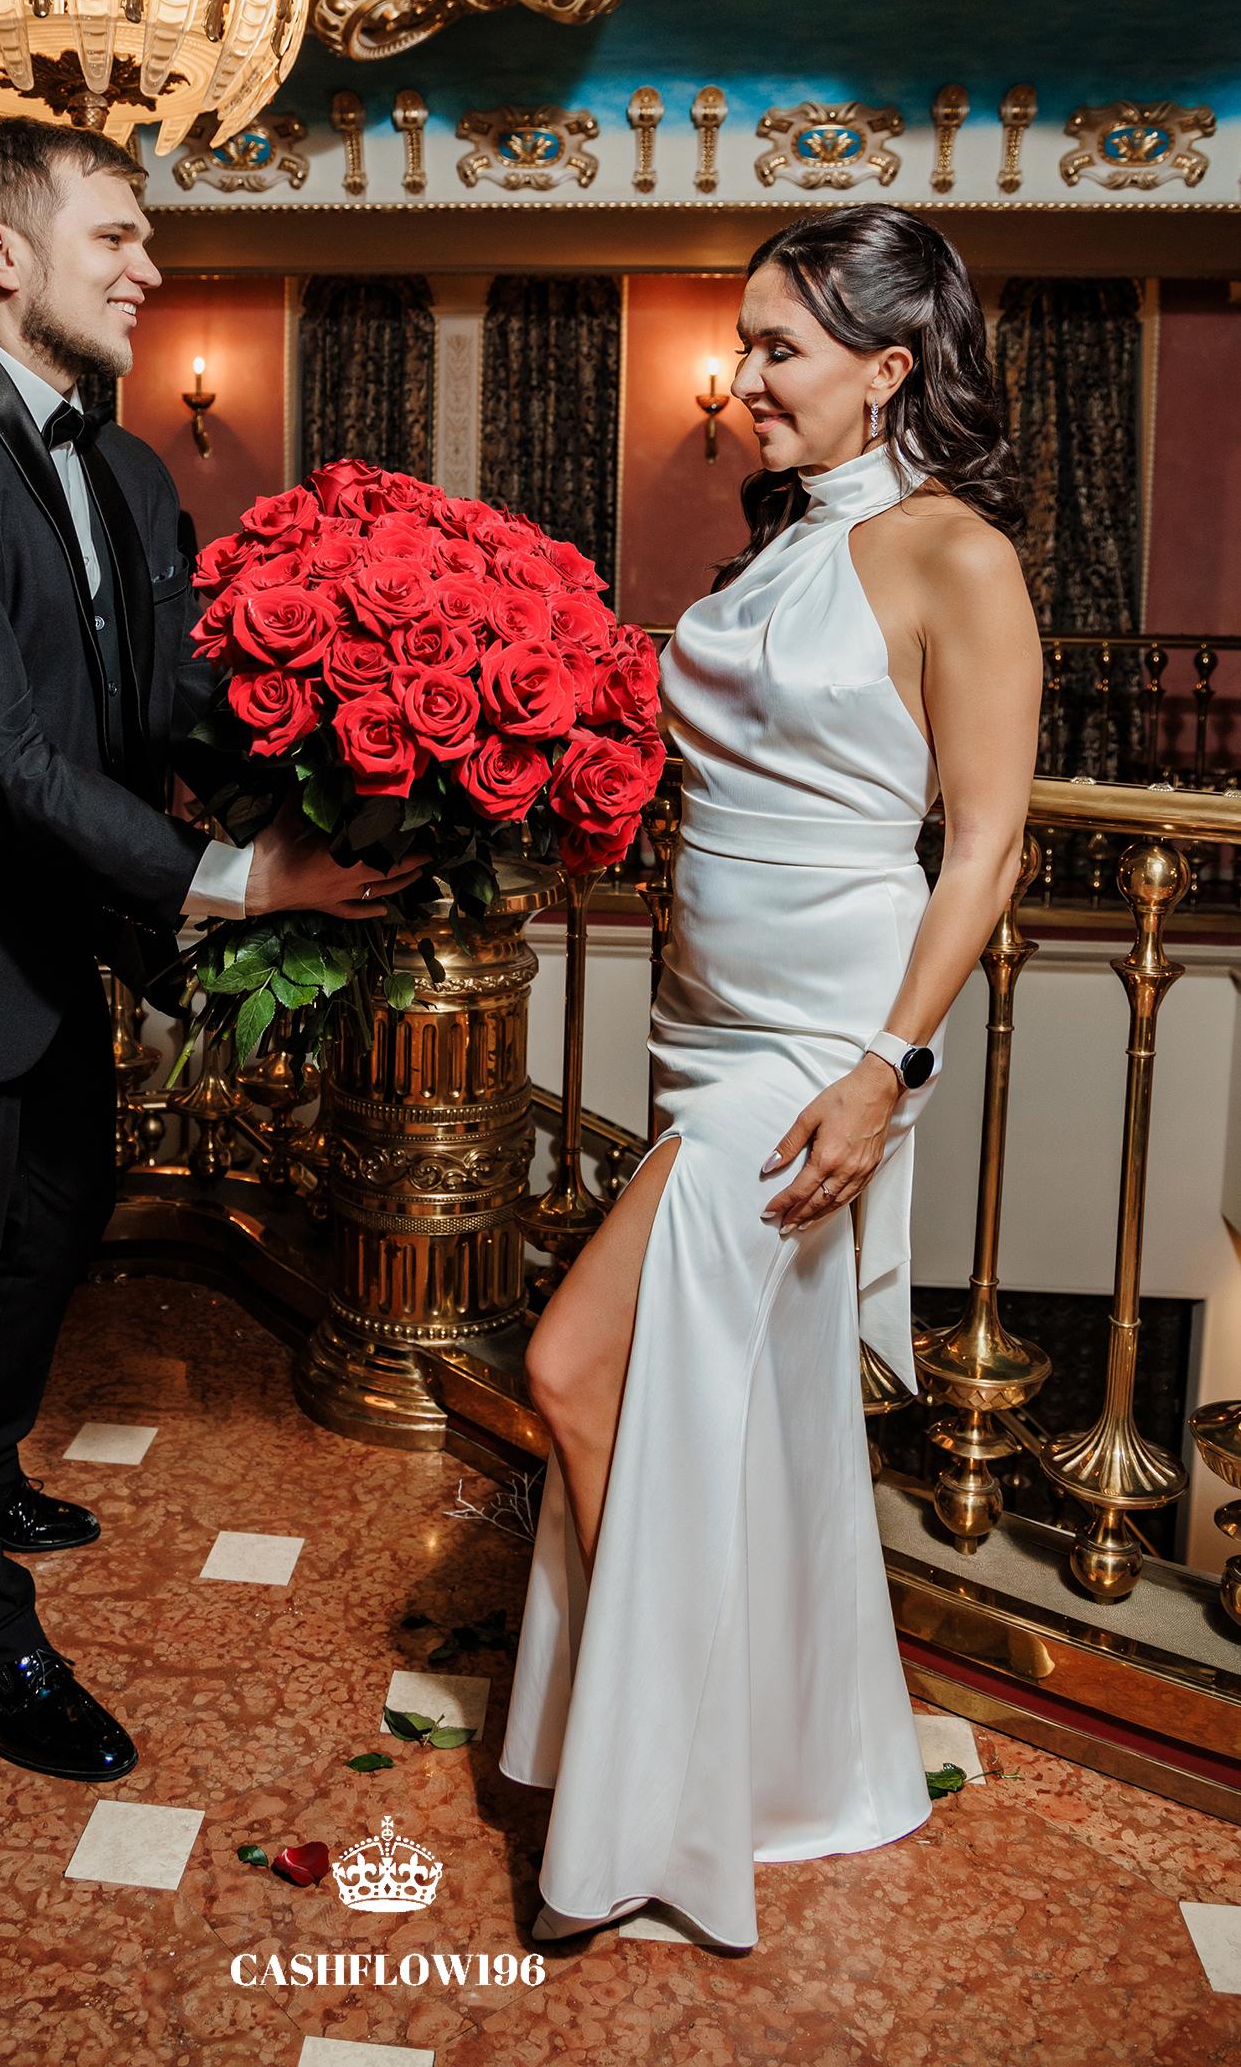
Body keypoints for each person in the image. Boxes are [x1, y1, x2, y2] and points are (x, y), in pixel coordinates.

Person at [0, 118, 417, 1783]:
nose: (151, 267)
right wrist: (242, 879)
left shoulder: (128, 470)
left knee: (57, 1219)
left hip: (48, 932)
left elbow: (167, 699)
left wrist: (375, 727)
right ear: (0, 253)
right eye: (115, 236)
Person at [500, 204, 1041, 1949]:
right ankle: (735, 1756)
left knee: (574, 1368)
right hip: (705, 1024)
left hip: (824, 1047)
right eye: (743, 341)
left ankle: (664, 1783)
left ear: (886, 370)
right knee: (696, 1404)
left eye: (775, 347)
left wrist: (885, 1066)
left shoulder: (954, 556)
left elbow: (984, 847)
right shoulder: (776, 548)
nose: (739, 376)